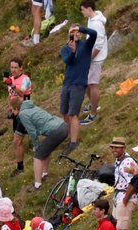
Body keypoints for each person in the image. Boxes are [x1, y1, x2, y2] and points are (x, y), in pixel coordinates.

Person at [8, 96, 66, 191]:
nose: (12, 113)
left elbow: (32, 132)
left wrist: (36, 146)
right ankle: (44, 174)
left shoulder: (22, 114)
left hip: (56, 131)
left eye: (12, 110)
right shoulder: (31, 106)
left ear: (16, 108)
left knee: (38, 157)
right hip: (62, 126)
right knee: (46, 151)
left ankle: (37, 185)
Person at [59, 24, 97, 153]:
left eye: (77, 32)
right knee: (64, 112)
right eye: (72, 32)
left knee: (73, 114)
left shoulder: (86, 46)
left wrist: (80, 28)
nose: (75, 34)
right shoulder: (65, 48)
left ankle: (74, 142)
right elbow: (68, 61)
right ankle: (69, 136)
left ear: (80, 33)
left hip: (79, 84)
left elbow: (94, 33)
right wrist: (73, 51)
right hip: (67, 83)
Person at [80, 0, 107, 124]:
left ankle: (93, 114)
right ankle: (93, 105)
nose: (82, 12)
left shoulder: (97, 24)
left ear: (89, 9)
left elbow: (99, 43)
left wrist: (90, 57)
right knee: (87, 83)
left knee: (93, 84)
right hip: (90, 56)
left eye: (83, 9)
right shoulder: (91, 19)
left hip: (95, 58)